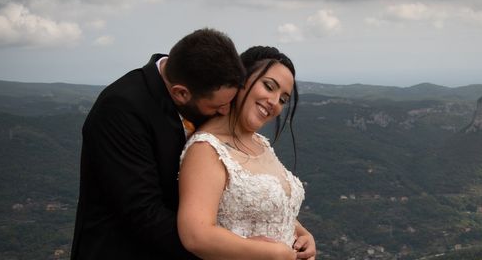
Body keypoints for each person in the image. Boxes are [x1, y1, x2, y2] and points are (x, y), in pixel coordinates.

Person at [70, 28, 245, 260]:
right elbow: (143, 213)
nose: (225, 112)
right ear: (181, 93)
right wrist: (227, 250)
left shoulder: (196, 85)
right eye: (217, 107)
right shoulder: (121, 109)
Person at [178, 46, 316, 260]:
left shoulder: (260, 143)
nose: (274, 103)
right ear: (240, 80)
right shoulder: (206, 149)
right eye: (269, 87)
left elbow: (263, 207)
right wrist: (276, 253)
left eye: (283, 99)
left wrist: (301, 234)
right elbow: (196, 235)